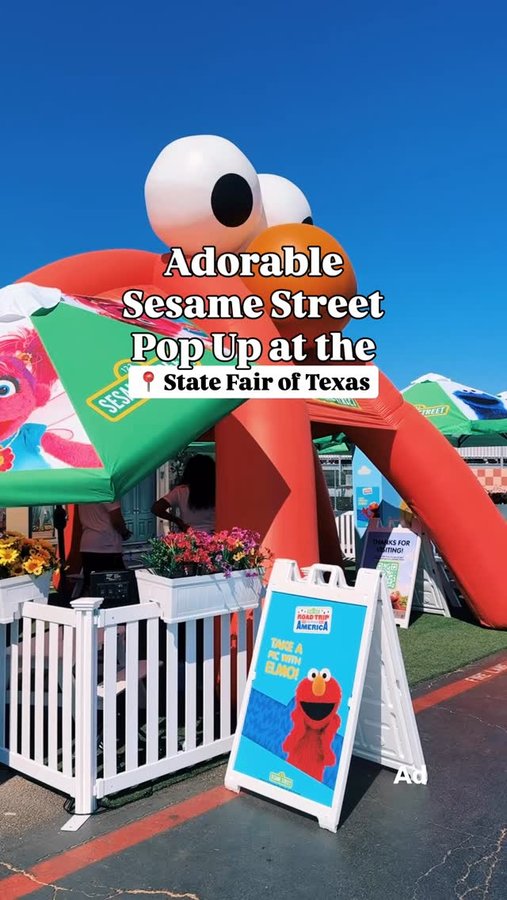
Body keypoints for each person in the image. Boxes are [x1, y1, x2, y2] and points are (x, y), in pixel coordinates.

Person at [151, 454, 216, 533]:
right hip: (214, 535)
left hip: (188, 536)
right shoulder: (218, 491)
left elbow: (156, 508)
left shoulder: (181, 491)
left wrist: (177, 521)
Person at [77, 501, 132, 593]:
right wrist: (125, 533)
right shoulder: (109, 495)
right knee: (117, 585)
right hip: (107, 545)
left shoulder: (84, 494)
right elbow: (117, 520)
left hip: (87, 544)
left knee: (92, 585)